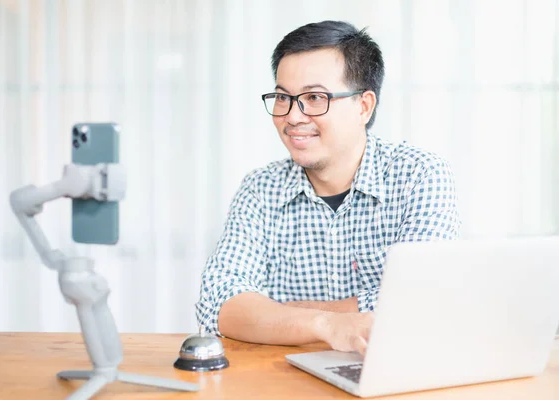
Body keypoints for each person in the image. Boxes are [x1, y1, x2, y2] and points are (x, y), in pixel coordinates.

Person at [195, 20, 460, 355]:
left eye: (315, 97)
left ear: (364, 106)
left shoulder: (418, 175)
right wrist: (326, 324)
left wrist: (277, 313)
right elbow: (218, 303)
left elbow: (422, 303)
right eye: (282, 97)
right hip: (282, 379)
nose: (292, 117)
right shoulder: (260, 189)